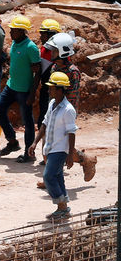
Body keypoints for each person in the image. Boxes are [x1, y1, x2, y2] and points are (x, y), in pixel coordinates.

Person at [41, 32, 97, 182]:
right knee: (48, 144)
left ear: (63, 51)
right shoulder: (54, 68)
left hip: (64, 113)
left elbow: (71, 98)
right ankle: (51, 178)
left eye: (54, 51)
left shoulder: (73, 72)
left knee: (59, 147)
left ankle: (84, 159)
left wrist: (61, 115)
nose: (51, 53)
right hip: (53, 110)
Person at [28, 72, 77, 221]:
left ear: (61, 89)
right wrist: (35, 142)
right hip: (50, 148)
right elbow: (44, 124)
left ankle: (61, 207)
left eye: (52, 88)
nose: (49, 90)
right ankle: (64, 209)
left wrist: (70, 155)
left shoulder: (68, 110)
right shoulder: (52, 104)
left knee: (48, 177)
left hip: (60, 150)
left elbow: (72, 133)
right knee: (57, 177)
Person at [0, 15, 41, 163]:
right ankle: (12, 142)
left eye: (14, 30)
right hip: (10, 86)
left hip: (24, 91)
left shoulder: (31, 48)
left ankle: (29, 152)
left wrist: (32, 93)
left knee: (28, 122)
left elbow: (38, 72)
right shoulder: (15, 43)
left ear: (22, 31)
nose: (11, 33)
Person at [36, 19, 62, 128]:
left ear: (51, 35)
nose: (41, 37)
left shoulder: (60, 53)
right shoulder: (44, 49)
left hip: (55, 92)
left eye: (43, 34)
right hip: (45, 90)